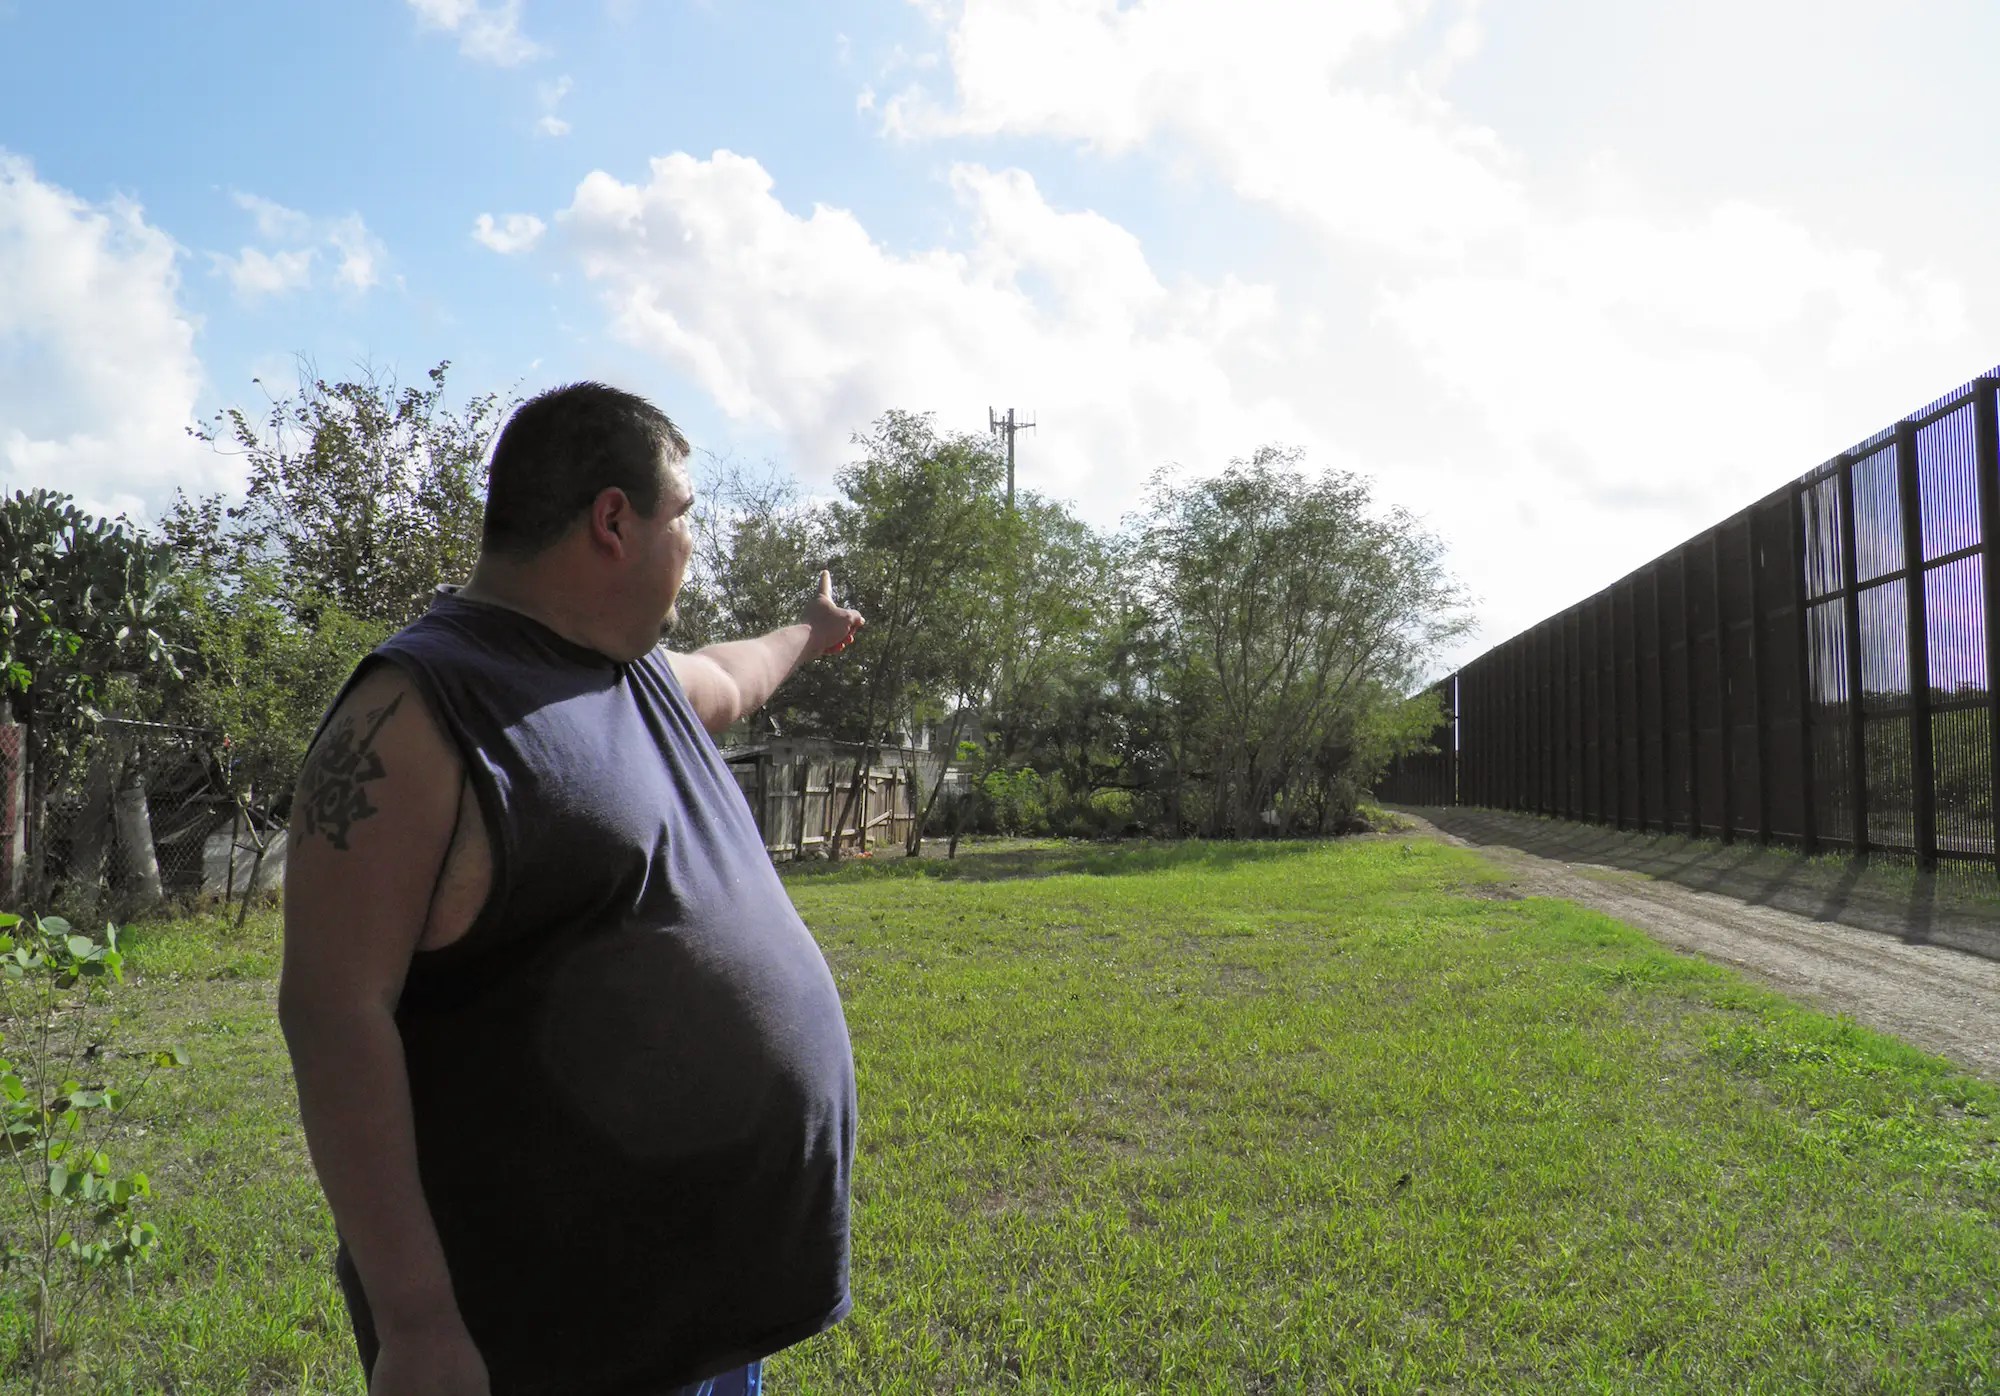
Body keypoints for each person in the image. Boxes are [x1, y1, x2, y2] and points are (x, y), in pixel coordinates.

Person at [278, 382, 865, 1396]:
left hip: (703, 1305)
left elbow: (734, 673)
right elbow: (332, 1013)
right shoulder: (420, 711)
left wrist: (806, 635)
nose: (690, 546)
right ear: (612, 520)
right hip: (566, 1336)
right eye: (682, 518)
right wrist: (416, 1324)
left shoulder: (630, 673)